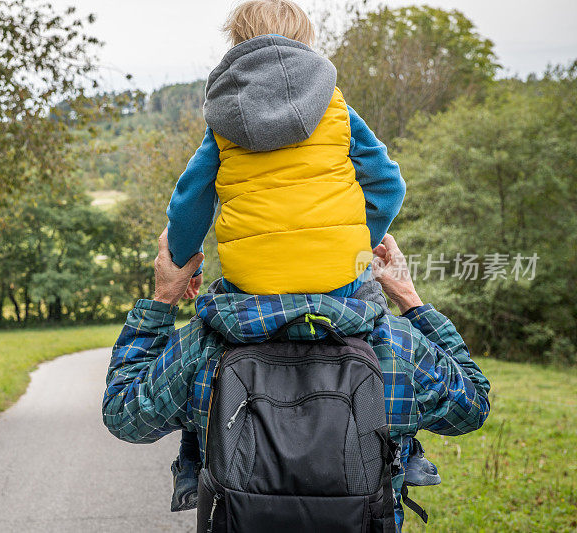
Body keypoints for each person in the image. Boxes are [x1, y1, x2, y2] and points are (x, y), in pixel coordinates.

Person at [163, 0, 437, 512]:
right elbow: (388, 184)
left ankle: (193, 458)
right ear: (305, 43)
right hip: (338, 278)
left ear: (236, 44)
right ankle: (406, 449)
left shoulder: (224, 118)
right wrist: (354, 241)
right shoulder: (335, 107)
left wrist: (183, 259)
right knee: (375, 325)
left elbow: (190, 200)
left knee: (216, 342)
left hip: (253, 285)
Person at [102, 231, 491, 531]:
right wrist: (408, 295)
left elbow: (125, 414)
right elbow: (471, 405)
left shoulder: (205, 342)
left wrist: (164, 297)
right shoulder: (394, 342)